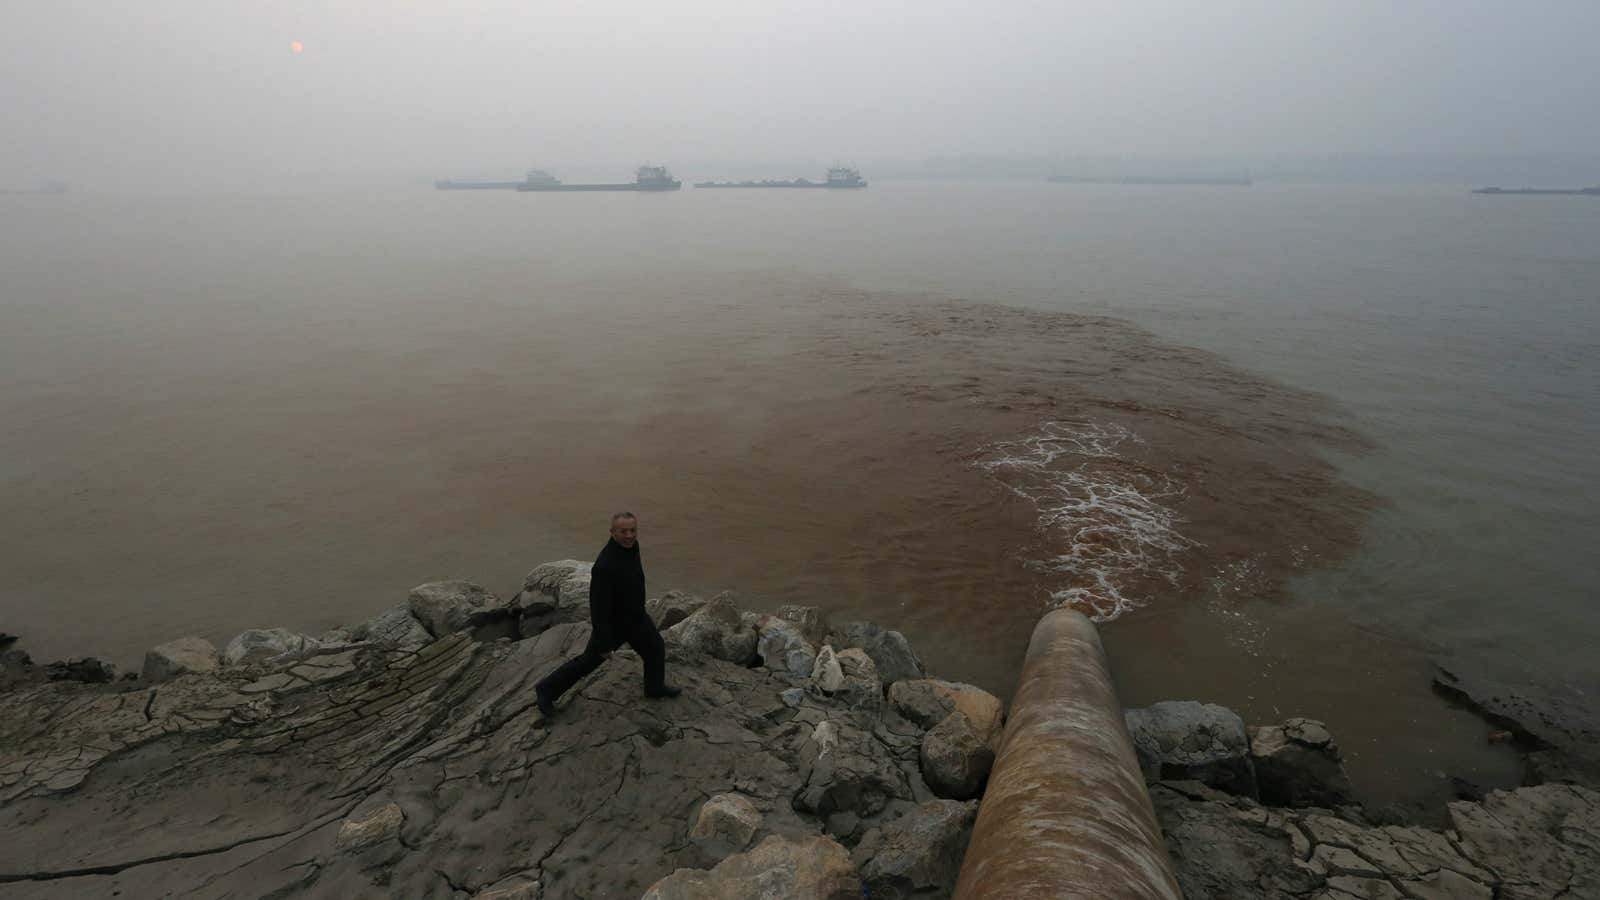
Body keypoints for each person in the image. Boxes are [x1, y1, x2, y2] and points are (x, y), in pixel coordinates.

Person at [535, 512, 681, 717]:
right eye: (623, 531)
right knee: (588, 662)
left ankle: (654, 688)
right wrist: (604, 642)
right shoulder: (604, 566)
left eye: (633, 530)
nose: (629, 535)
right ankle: (546, 689)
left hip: (636, 618)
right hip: (613, 625)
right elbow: (598, 607)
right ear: (612, 532)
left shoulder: (632, 547)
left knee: (655, 648)